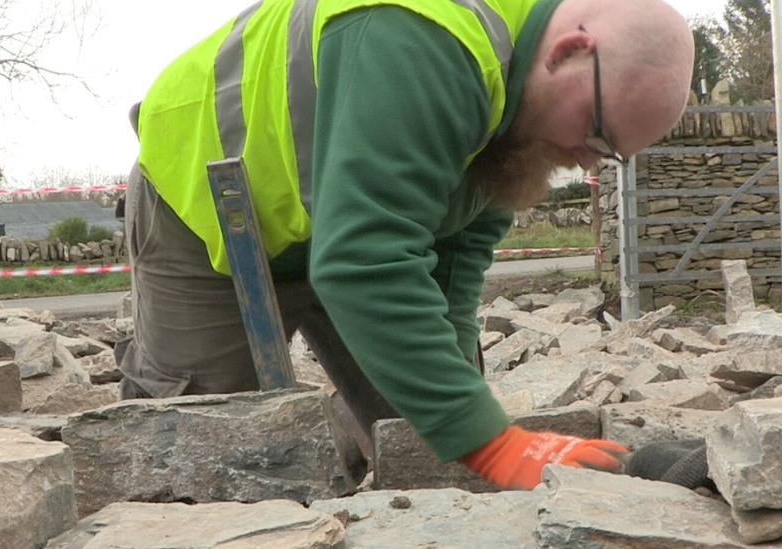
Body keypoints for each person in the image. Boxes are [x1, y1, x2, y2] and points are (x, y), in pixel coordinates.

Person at [118, 0, 694, 490]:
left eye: (608, 153)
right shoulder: (423, 40)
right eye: (597, 132)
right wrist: (492, 445)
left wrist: (469, 408)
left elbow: (460, 256)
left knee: (435, 434)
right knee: (203, 449)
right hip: (202, 199)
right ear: (568, 51)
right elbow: (363, 260)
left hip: (339, 222)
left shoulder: (517, 108)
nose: (588, 159)